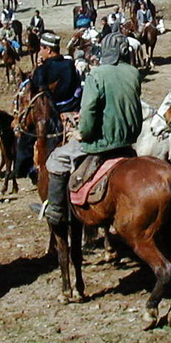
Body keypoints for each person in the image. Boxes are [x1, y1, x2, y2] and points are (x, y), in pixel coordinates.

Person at [44, 33, 143, 225]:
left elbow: (89, 110)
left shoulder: (96, 74)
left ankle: (56, 211)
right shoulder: (134, 72)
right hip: (129, 139)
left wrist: (82, 132)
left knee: (57, 159)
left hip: (102, 142)